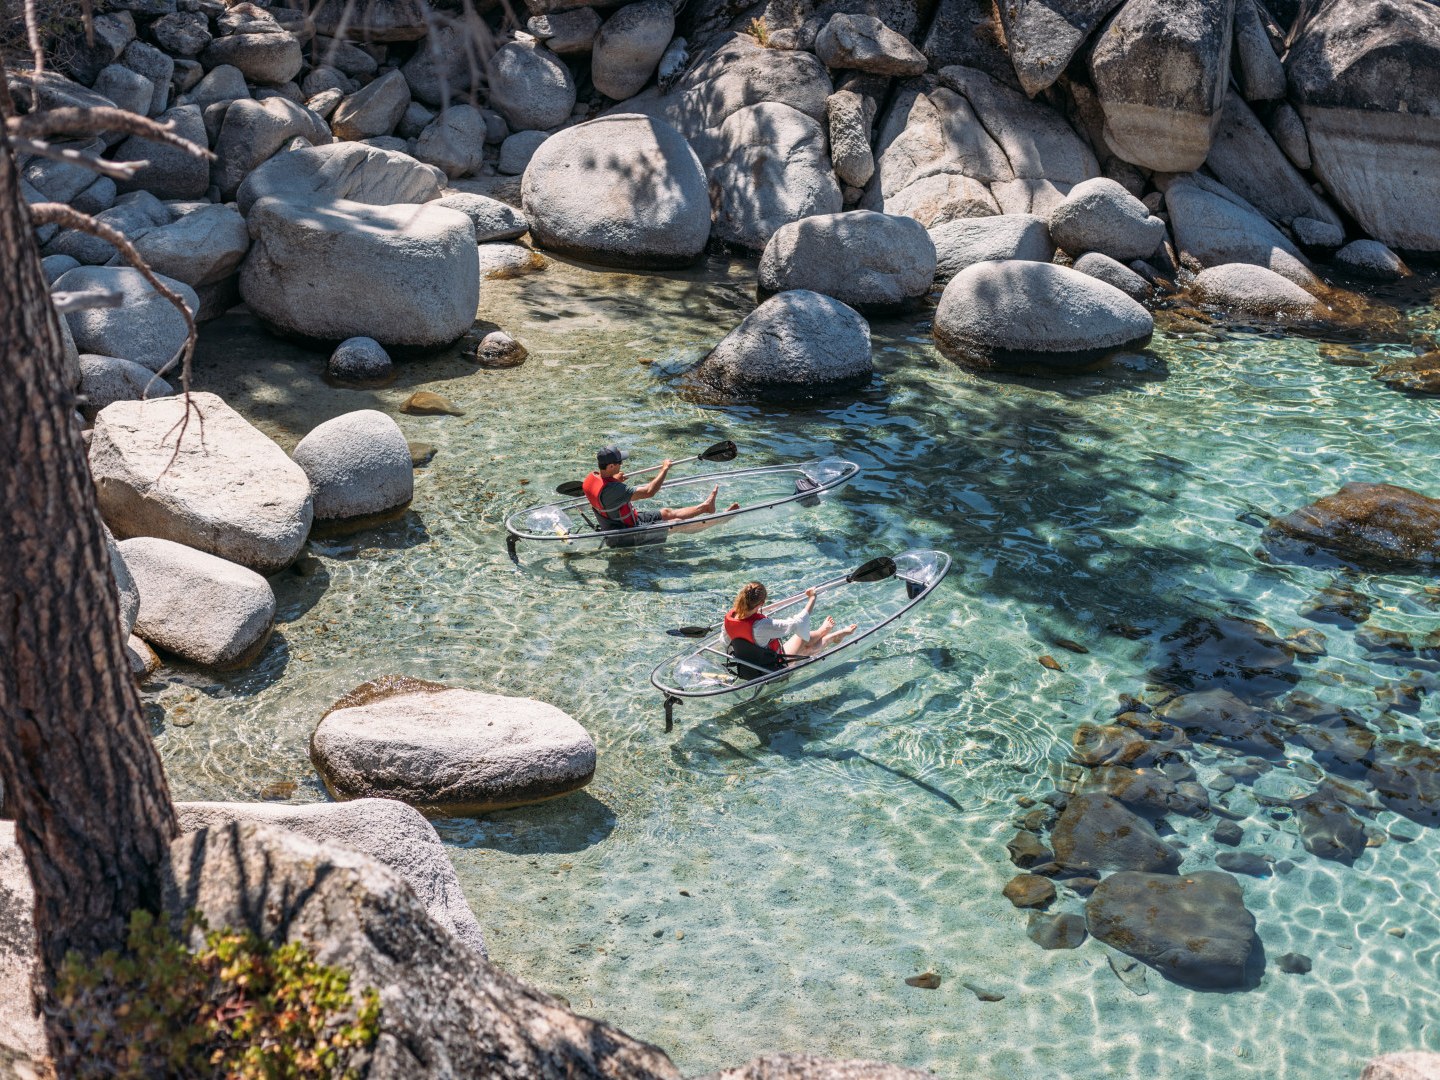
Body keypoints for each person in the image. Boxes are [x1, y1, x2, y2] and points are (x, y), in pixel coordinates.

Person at [581, 446, 736, 537]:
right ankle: (720, 520)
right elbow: (650, 491)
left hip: (626, 518)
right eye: (619, 462)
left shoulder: (591, 478)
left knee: (667, 512)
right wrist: (664, 469)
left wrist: (614, 479)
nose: (621, 464)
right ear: (610, 467)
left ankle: (705, 507)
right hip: (627, 531)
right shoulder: (615, 490)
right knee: (675, 524)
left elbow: (605, 494)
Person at [722, 581, 857, 676]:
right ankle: (831, 636)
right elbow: (797, 622)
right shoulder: (761, 626)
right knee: (804, 647)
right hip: (772, 667)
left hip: (747, 665)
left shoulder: (730, 617)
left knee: (802, 642)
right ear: (762, 603)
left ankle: (825, 633)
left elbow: (725, 642)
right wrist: (812, 598)